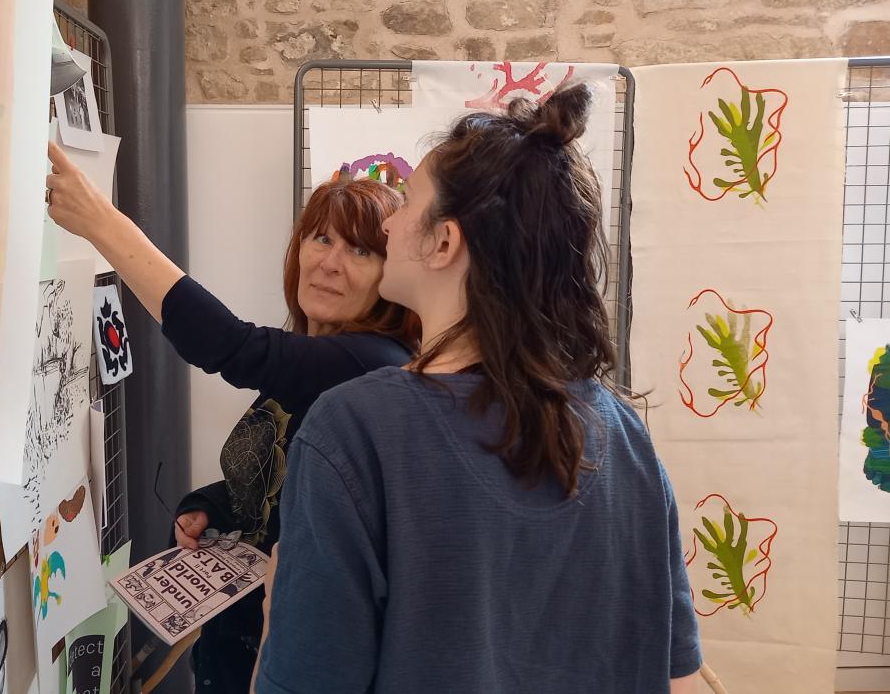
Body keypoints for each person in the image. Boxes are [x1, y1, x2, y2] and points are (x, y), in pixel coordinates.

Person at [255, 85, 702, 693]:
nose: (388, 222)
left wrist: (275, 612)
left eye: (406, 204)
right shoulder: (624, 435)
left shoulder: (355, 430)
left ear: (444, 241)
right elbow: (678, 677)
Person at [43, 143, 420, 693]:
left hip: (288, 662)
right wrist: (209, 506)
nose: (330, 263)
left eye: (361, 252)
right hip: (235, 647)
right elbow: (290, 483)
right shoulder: (313, 356)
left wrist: (102, 223)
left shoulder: (370, 363)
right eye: (321, 238)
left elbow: (228, 345)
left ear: (392, 277)